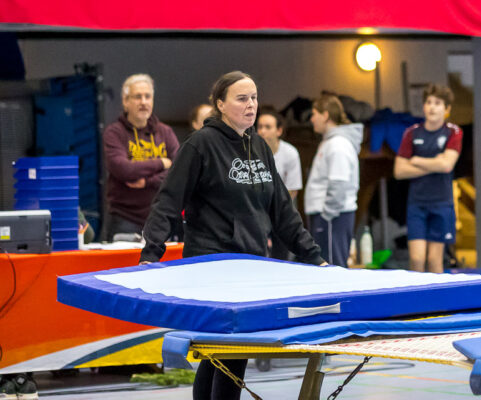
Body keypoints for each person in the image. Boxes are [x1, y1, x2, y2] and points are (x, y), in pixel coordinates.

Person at [141, 71, 324, 400]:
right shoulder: (200, 145)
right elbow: (168, 201)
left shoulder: (260, 146)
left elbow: (283, 211)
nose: (251, 104)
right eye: (242, 98)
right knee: (230, 352)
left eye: (254, 97)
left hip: (251, 265)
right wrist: (151, 254)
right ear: (221, 104)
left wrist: (314, 257)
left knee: (221, 356)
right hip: (211, 265)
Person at [394, 84, 463, 273]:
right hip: (417, 203)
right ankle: (415, 292)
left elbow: (447, 165)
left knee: (434, 260)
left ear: (447, 109)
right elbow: (399, 171)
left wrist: (417, 161)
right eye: (429, 102)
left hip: (441, 203)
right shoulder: (412, 133)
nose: (432, 107)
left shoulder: (453, 132)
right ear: (424, 106)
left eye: (437, 103)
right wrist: (435, 164)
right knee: (417, 259)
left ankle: (437, 294)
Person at [102, 74, 179, 239]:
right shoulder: (114, 132)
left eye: (147, 96)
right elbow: (124, 170)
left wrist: (147, 181)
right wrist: (161, 163)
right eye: (137, 97)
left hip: (161, 219)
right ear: (125, 101)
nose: (143, 102)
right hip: (124, 220)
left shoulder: (165, 132)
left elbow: (179, 171)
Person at [305, 94, 363, 267]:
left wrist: (326, 216)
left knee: (332, 268)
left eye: (314, 114)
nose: (311, 119)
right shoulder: (329, 142)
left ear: (325, 115)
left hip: (333, 217)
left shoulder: (338, 145)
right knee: (326, 267)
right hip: (329, 216)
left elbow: (339, 184)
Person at [258, 108, 303, 260]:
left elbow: (292, 190)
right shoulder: (250, 152)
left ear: (279, 131)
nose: (262, 131)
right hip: (257, 211)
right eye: (260, 127)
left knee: (282, 256)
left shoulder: (290, 153)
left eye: (267, 127)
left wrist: (275, 211)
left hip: (282, 209)